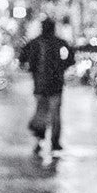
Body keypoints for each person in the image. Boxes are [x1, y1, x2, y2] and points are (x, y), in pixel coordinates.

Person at [17, 14, 73, 156]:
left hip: (40, 85)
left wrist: (31, 68)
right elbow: (71, 58)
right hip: (55, 85)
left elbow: (22, 57)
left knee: (42, 113)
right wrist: (61, 67)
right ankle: (54, 143)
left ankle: (40, 141)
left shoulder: (35, 43)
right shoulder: (59, 43)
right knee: (54, 115)